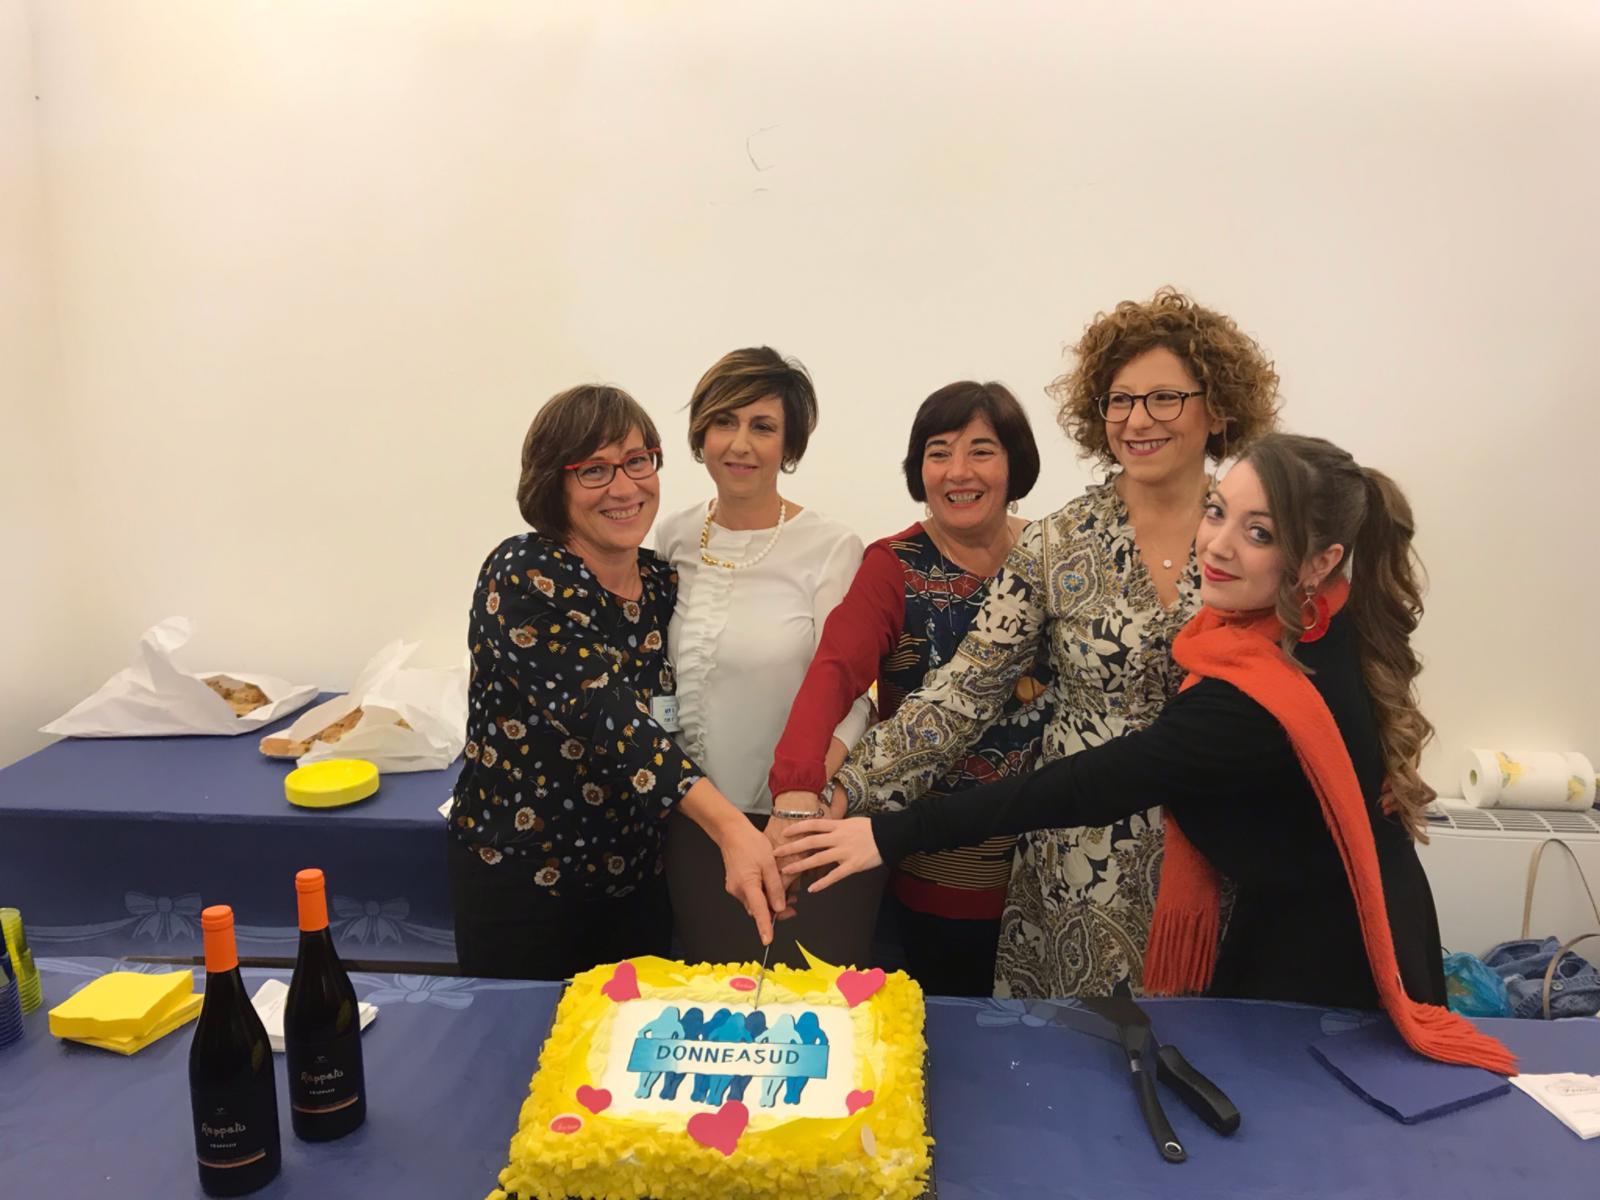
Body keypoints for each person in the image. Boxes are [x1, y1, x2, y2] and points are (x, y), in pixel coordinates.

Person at [777, 434, 1516, 1073]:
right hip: (1303, 908)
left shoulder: (1249, 700)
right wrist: (841, 786)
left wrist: (890, 833)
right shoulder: (1303, 624)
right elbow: (962, 693)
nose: (1219, 544)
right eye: (1219, 513)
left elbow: (1081, 786)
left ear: (1319, 560)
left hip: (1319, 966)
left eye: (1260, 533)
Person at [809, 288, 1281, 998]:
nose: (1137, 420)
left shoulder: (1257, 536)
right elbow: (964, 691)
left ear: (1217, 409)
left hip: (1222, 844)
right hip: (1081, 853)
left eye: (1164, 398)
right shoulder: (1058, 545)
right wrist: (847, 788)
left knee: (1214, 1047)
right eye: (1120, 401)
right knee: (1073, 1052)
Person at [446, 384, 784, 980]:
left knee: (631, 1039)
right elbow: (611, 719)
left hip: (639, 885)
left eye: (637, 461)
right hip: (526, 887)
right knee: (527, 1039)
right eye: (595, 470)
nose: (625, 488)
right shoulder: (523, 572)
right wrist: (732, 825)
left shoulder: (661, 583)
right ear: (553, 483)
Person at [766, 381, 1050, 996]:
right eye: (938, 452)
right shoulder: (893, 564)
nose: (957, 471)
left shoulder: (1051, 555)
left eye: (981, 451)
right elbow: (835, 672)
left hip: (1054, 861)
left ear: (1016, 463)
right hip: (932, 863)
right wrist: (795, 787)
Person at [656, 347, 875, 967]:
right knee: (711, 1002)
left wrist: (798, 809)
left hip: (803, 827)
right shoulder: (672, 537)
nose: (740, 444)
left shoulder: (831, 547)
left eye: (763, 426)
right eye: (724, 422)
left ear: (789, 444)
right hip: (698, 823)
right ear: (701, 433)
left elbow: (855, 699)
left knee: (809, 1005)